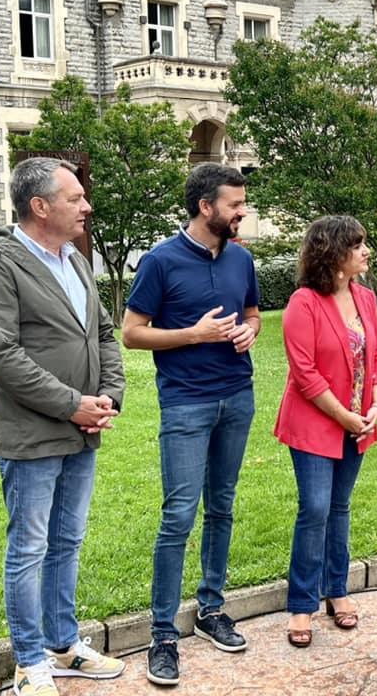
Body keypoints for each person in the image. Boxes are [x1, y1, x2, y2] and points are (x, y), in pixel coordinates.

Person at [0, 157, 126, 696]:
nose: (86, 206)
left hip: (84, 428)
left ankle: (63, 645)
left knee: (67, 541)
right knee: (30, 549)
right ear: (40, 206)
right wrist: (70, 404)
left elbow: (104, 333)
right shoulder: (0, 264)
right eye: (75, 198)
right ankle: (29, 661)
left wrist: (109, 396)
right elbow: (2, 356)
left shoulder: (75, 260)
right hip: (33, 435)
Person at [122, 163, 261, 686]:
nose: (241, 211)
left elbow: (252, 314)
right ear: (206, 207)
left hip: (237, 398)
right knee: (179, 515)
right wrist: (194, 334)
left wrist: (249, 332)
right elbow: (132, 334)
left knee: (222, 507)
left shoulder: (242, 258)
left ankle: (210, 609)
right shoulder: (160, 261)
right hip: (185, 404)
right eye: (234, 204)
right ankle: (162, 633)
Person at [274, 214, 377, 648]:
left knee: (340, 508)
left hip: (358, 422)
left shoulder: (366, 298)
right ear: (333, 252)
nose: (365, 251)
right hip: (315, 424)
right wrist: (343, 416)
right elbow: (304, 374)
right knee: (316, 508)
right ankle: (301, 604)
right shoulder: (303, 302)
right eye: (357, 245)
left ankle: (337, 590)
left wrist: (376, 403)